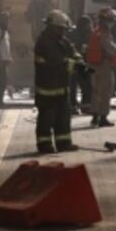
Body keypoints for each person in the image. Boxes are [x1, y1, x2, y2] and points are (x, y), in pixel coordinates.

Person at [33, 10, 82, 153]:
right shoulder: (43, 42)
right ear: (52, 27)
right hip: (47, 88)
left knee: (63, 117)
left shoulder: (62, 40)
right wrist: (76, 65)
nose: (63, 31)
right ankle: (44, 145)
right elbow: (57, 61)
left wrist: (80, 62)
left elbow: (73, 52)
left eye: (64, 29)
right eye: (61, 28)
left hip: (61, 86)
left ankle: (64, 143)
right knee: (46, 118)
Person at [86, 7, 116, 128]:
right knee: (106, 92)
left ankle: (95, 117)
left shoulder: (95, 31)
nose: (113, 23)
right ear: (106, 21)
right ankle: (103, 117)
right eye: (111, 20)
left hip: (93, 64)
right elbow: (110, 49)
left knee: (96, 92)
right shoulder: (104, 34)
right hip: (104, 65)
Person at [69, 14, 94, 115]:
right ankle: (84, 106)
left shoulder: (72, 33)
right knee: (85, 86)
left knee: (73, 86)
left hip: (74, 63)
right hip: (79, 63)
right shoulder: (86, 34)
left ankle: (73, 106)